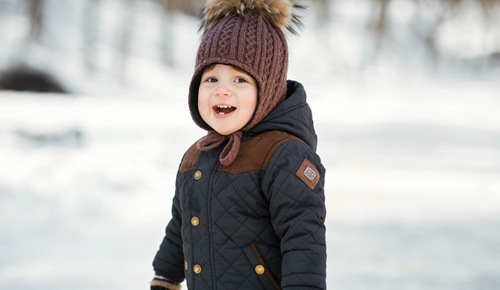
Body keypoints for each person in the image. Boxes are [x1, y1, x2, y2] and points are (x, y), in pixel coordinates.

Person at [151, 0, 326, 289]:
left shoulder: (283, 155)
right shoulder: (196, 156)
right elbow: (180, 224)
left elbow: (303, 240)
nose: (222, 89)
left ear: (267, 89)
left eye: (240, 79)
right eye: (211, 78)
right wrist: (165, 275)